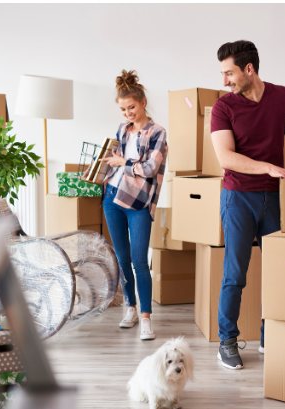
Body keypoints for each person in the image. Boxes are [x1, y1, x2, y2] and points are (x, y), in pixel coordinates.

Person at [210, 40, 285, 369]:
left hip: (276, 199)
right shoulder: (223, 107)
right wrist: (269, 166)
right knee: (235, 274)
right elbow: (225, 157)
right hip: (238, 197)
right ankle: (227, 341)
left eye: (229, 73)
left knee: (279, 271)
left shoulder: (282, 95)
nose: (225, 80)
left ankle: (271, 335)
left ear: (249, 69)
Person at [99, 69, 168, 339]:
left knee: (140, 260)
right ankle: (130, 307)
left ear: (142, 103)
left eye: (131, 107)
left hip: (138, 202)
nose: (127, 113)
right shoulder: (122, 130)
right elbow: (114, 161)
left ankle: (147, 318)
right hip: (112, 198)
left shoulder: (157, 132)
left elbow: (150, 168)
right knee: (122, 258)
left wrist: (124, 163)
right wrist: (98, 173)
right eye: (123, 109)